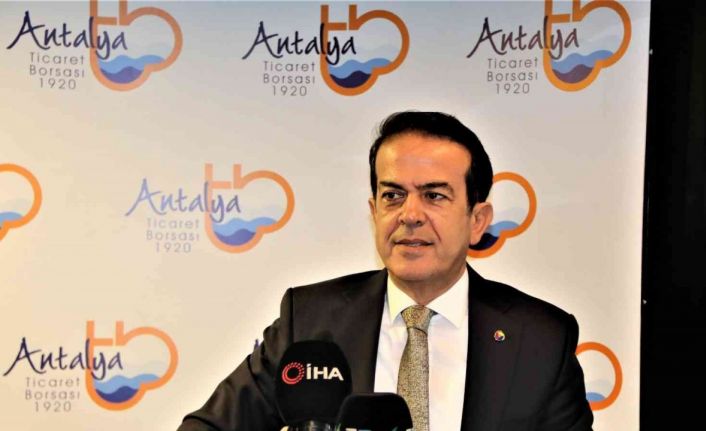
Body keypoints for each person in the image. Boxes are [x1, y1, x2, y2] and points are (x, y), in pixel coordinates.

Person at [177, 111, 593, 431]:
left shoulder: (540, 339)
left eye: (434, 195)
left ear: (477, 220)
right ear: (374, 211)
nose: (410, 215)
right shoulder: (310, 320)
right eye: (393, 195)